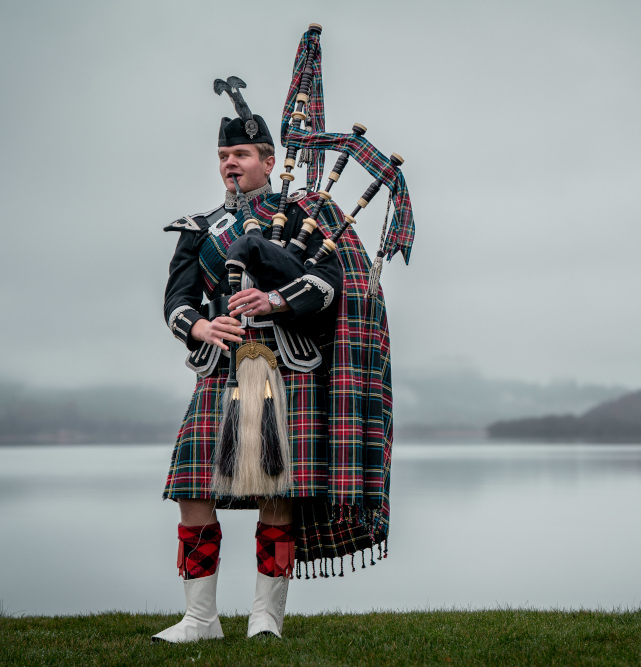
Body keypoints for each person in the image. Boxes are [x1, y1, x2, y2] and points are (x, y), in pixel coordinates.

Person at [152, 81, 379, 642]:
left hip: (284, 365)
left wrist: (275, 300)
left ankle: (265, 618)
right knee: (191, 488)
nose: (231, 165)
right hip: (222, 368)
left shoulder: (303, 218)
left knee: (277, 491)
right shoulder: (198, 230)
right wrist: (201, 324)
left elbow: (328, 287)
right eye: (224, 157)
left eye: (242, 155)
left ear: (269, 161)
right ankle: (201, 619)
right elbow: (175, 301)